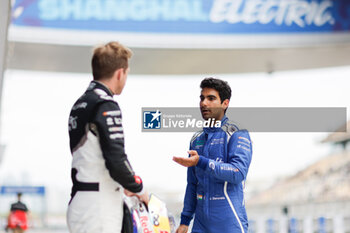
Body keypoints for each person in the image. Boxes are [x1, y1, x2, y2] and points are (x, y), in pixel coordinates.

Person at [67, 41, 148, 233]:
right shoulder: (105, 104)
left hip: (81, 201)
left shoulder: (80, 104)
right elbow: (116, 159)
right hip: (98, 208)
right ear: (120, 73)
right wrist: (138, 188)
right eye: (127, 73)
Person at [173, 78, 253, 233]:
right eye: (202, 98)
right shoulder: (196, 140)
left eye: (211, 98)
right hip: (201, 225)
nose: (204, 103)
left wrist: (201, 161)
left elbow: (238, 173)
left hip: (229, 223)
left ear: (225, 103)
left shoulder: (237, 133)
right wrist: (184, 221)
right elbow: (192, 184)